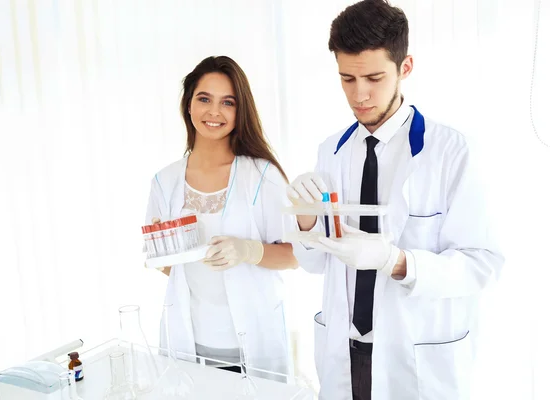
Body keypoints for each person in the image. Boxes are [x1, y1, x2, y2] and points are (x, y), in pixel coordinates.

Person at [286, 1, 504, 399]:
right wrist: (305, 222)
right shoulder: (330, 151)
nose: (360, 94)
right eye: (347, 79)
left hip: (417, 356)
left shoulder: (451, 151)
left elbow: (482, 263)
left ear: (405, 68)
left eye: (373, 77)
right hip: (345, 354)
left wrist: (395, 261)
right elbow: (314, 264)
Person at [144, 55, 297, 381]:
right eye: (204, 99)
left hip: (251, 346)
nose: (214, 112)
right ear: (188, 105)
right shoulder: (164, 182)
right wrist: (166, 250)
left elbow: (297, 254)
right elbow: (171, 269)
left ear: (240, 111)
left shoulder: (262, 176)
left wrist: (249, 251)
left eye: (227, 102)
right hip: (189, 344)